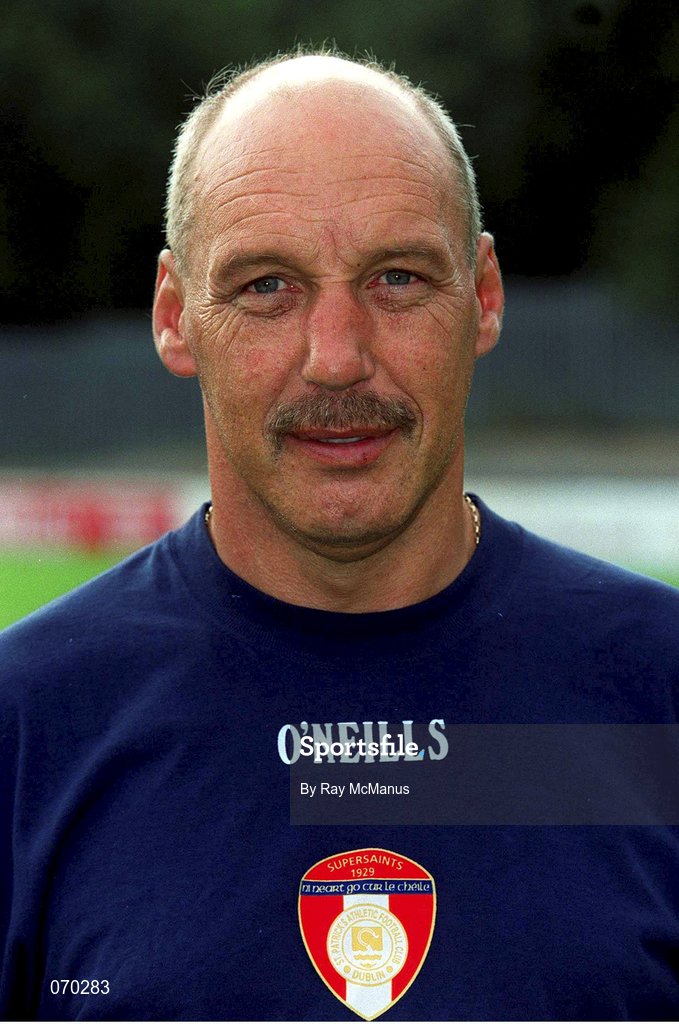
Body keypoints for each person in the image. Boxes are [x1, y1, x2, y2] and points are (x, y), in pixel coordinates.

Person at [1, 48, 678, 1023]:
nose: (335, 357)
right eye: (266, 286)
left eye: (397, 278)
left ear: (483, 295)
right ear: (174, 315)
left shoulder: (655, 691)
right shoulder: (25, 731)